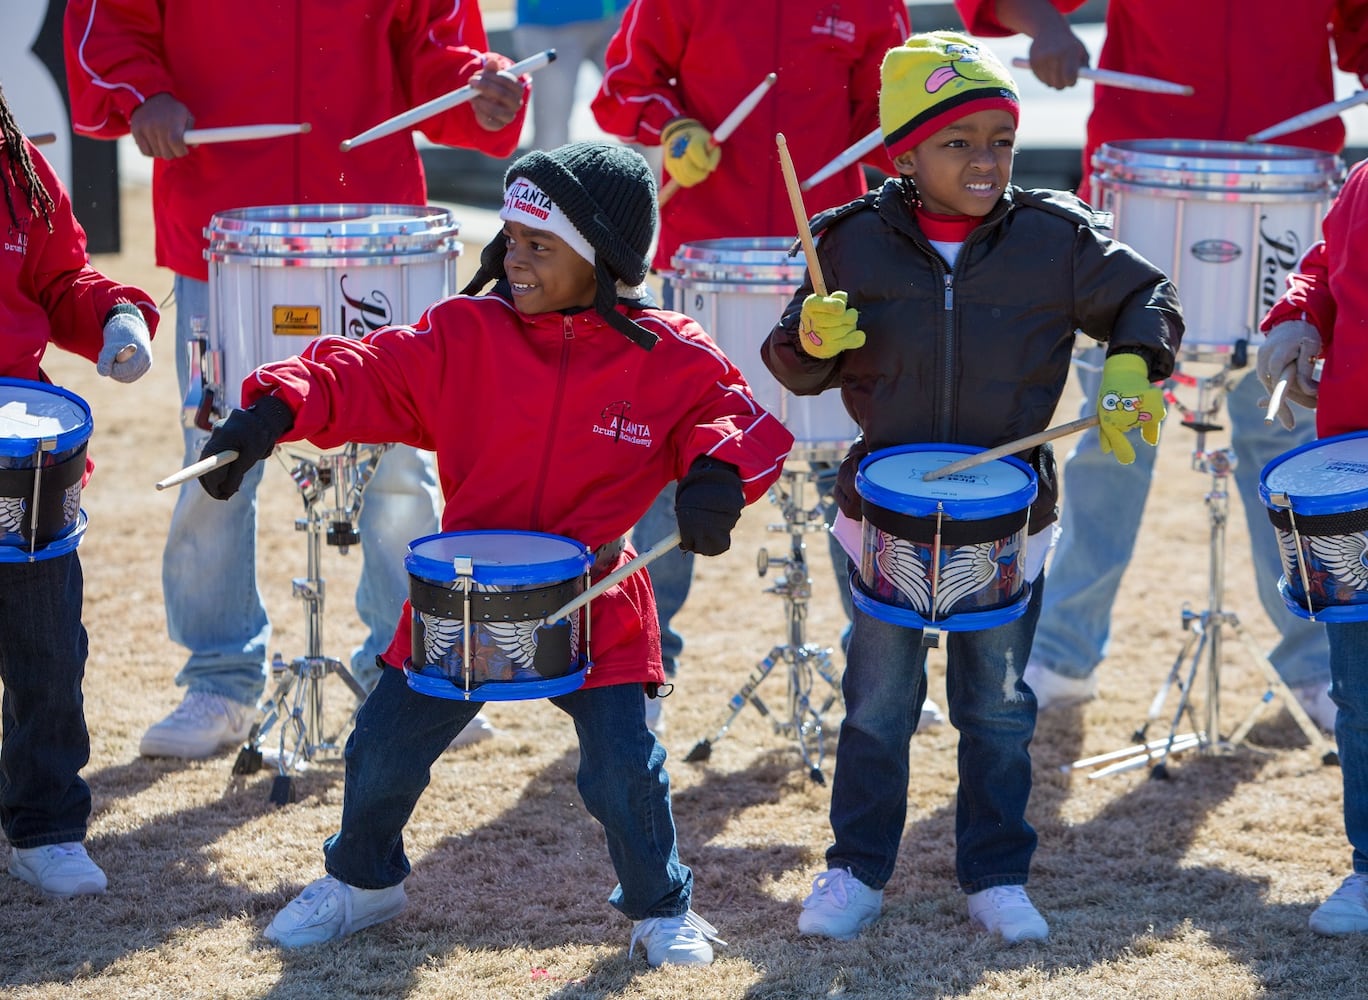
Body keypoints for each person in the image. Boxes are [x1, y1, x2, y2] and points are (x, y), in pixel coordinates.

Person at [189, 141, 793, 959]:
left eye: (539, 247)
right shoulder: (465, 333)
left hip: (597, 592)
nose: (515, 260)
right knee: (383, 749)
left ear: (603, 261)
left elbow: (735, 418)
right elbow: (365, 371)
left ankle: (661, 908)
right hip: (462, 591)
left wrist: (718, 478)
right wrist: (271, 412)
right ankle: (364, 883)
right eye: (510, 239)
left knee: (623, 770)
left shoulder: (668, 350)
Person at [762, 32, 1183, 941]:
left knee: (995, 708)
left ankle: (996, 875)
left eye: (1001, 138)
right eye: (958, 143)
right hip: (884, 515)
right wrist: (810, 342)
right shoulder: (849, 243)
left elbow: (1149, 301)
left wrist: (1134, 363)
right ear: (904, 155)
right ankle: (855, 870)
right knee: (877, 707)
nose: (986, 159)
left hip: (1010, 516)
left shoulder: (1056, 238)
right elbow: (793, 364)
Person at [63, 0, 530, 758]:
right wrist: (139, 94)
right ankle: (219, 679)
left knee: (399, 462)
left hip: (372, 228)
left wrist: (476, 87)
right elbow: (106, 26)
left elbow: (437, 48)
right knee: (218, 454)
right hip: (227, 223)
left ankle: (409, 669)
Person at [953, 0, 1368, 725]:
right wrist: (1045, 25)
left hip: (1289, 181)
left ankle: (1319, 668)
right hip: (1145, 179)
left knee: (1286, 437)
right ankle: (1063, 656)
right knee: (1114, 439)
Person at [590, 0, 913, 730]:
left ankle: (879, 673)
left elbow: (892, 122)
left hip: (833, 267)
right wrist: (669, 127)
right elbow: (620, 87)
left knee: (852, 468)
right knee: (672, 464)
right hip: (706, 261)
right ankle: (635, 671)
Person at [1, 90, 159, 896]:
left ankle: (45, 826)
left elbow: (62, 280)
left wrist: (117, 317)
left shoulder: (18, 167)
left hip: (23, 460)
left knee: (48, 654)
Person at [1258, 157, 1368, 935]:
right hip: (1352, 470)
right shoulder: (1362, 179)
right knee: (1361, 696)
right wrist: (1300, 317)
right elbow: (1328, 263)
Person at [513, 0, 630, 151]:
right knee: (551, 137)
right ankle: (547, 175)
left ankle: (652, 175)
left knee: (648, 115)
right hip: (546, 25)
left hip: (616, 17)